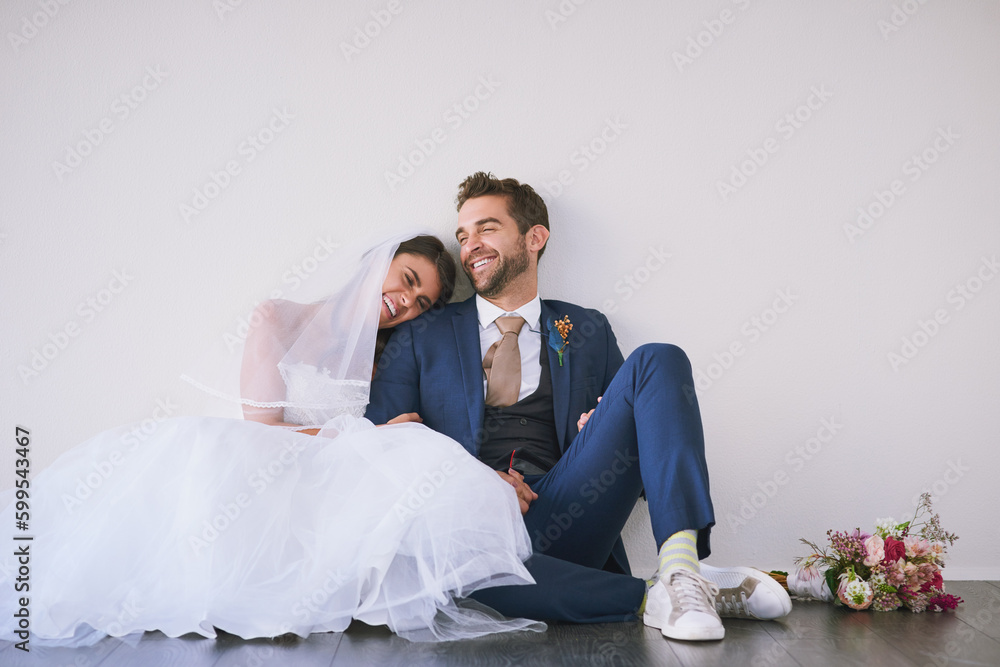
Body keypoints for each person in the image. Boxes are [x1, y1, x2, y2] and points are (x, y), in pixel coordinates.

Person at [0, 234, 544, 648]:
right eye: (404, 280)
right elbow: (260, 431)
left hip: (335, 478)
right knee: (211, 446)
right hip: (274, 465)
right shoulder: (281, 319)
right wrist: (365, 435)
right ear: (375, 265)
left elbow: (408, 429)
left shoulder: (388, 357)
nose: (405, 301)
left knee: (416, 447)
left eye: (421, 300)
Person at [366, 174, 793, 642]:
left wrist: (610, 428)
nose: (470, 246)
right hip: (472, 537)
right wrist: (475, 483)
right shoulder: (421, 334)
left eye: (487, 229)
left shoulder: (586, 327)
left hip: (571, 512)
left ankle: (680, 564)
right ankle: (665, 593)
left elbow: (651, 436)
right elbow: (380, 452)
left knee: (659, 358)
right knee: (450, 582)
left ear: (535, 237)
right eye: (464, 235)